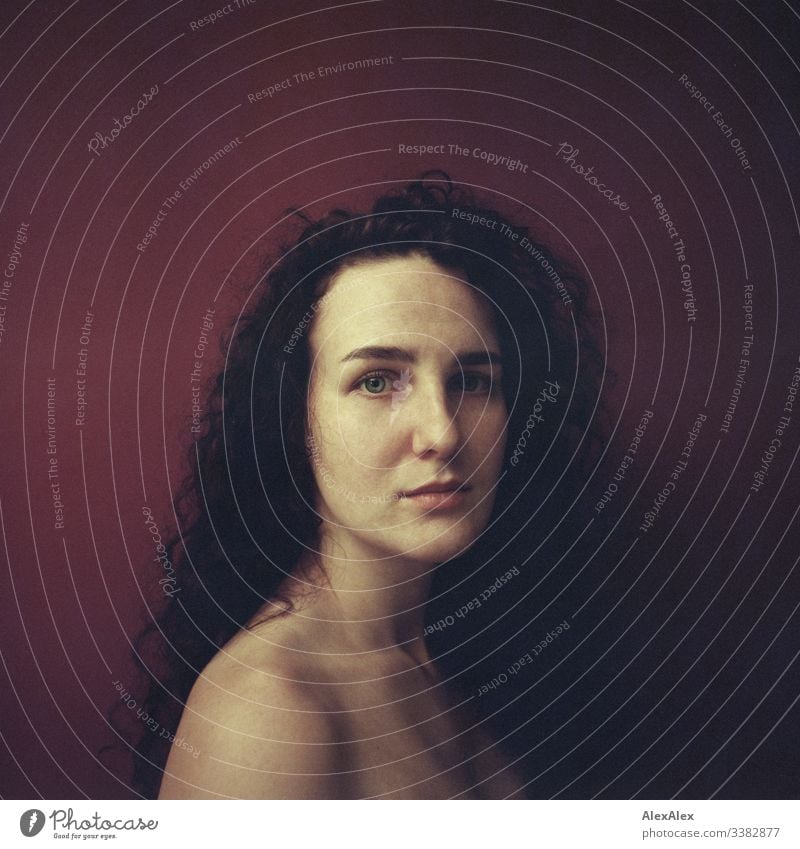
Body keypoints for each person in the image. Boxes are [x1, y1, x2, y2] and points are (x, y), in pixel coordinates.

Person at [123, 173, 601, 799]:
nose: (441, 432)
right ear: (296, 419)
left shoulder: (458, 648)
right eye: (377, 381)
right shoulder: (269, 713)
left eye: (474, 380)